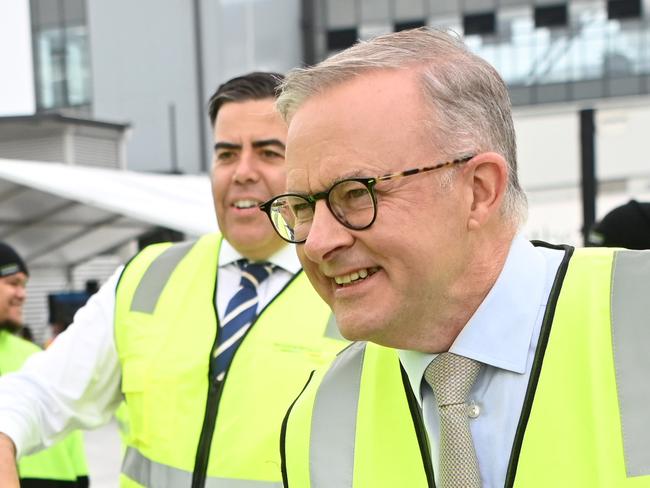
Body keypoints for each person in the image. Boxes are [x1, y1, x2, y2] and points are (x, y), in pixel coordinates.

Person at [259, 29, 650, 487]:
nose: (317, 242)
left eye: (354, 194)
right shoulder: (320, 416)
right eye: (302, 207)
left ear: (479, 190)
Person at [0, 72, 345, 487]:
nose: (243, 172)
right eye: (226, 154)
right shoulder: (148, 277)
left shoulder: (346, 281)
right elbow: (39, 393)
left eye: (269, 153)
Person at [0, 242, 88, 487]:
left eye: (24, 285)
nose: (22, 294)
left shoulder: (32, 354)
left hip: (59, 480)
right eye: (13, 283)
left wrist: (81, 478)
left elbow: (69, 424)